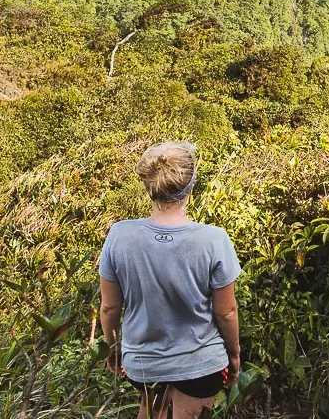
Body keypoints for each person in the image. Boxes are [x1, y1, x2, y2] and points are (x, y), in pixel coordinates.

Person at [98, 141, 242, 419]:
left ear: (149, 186)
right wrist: (234, 357)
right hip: (201, 363)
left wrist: (112, 349)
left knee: (151, 409)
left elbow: (109, 308)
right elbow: (226, 312)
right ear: (190, 187)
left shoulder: (120, 235)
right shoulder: (213, 239)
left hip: (142, 364)